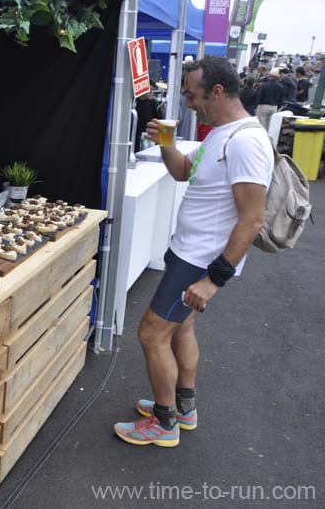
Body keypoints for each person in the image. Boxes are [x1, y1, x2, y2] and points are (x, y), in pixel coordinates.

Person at [113, 56, 273, 448]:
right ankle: (183, 409)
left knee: (151, 334)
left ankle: (164, 421)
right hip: (187, 251)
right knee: (181, 329)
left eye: (191, 94)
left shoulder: (246, 141)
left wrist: (213, 279)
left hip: (199, 261)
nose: (187, 102)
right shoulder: (221, 132)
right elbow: (184, 171)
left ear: (216, 91)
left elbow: (253, 218)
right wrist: (165, 143)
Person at [133, 82, 164, 152]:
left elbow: (160, 122)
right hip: (135, 138)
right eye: (149, 90)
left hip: (149, 140)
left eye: (153, 90)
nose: (151, 92)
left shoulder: (156, 105)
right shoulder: (134, 103)